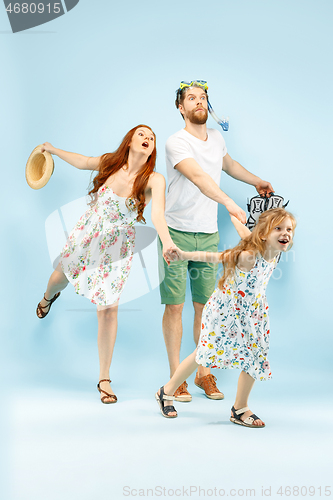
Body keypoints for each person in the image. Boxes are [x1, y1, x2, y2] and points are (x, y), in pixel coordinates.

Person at [36, 125, 176, 404]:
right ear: (130, 140)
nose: (147, 139)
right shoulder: (110, 163)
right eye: (142, 135)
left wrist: (168, 241)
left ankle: (104, 378)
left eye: (152, 138)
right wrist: (52, 150)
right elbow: (81, 161)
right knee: (57, 278)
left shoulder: (154, 180)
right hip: (87, 235)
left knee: (108, 309)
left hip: (116, 247)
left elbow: (158, 214)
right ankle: (47, 298)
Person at [159, 80, 275, 402]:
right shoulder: (175, 142)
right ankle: (175, 378)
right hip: (177, 231)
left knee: (205, 307)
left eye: (203, 98)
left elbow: (229, 165)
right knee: (175, 305)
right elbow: (199, 177)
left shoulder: (217, 139)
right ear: (181, 107)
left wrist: (256, 181)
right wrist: (228, 202)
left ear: (208, 107)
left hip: (208, 233)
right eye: (191, 98)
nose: (198, 102)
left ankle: (202, 374)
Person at [155, 207, 296, 426]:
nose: (285, 233)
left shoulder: (272, 250)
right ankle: (167, 391)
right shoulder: (249, 256)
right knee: (204, 353)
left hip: (253, 313)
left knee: (255, 356)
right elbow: (216, 256)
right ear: (264, 234)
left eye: (288, 229)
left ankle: (240, 408)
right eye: (278, 228)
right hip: (225, 311)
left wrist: (234, 218)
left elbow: (245, 234)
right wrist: (183, 255)